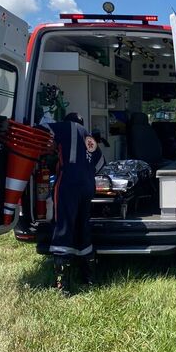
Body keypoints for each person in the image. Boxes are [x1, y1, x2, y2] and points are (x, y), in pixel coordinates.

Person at [40, 112, 105, 292]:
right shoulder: (89, 137)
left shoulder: (64, 127)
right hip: (88, 186)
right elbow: (100, 163)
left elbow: (39, 131)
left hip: (68, 184)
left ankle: (63, 286)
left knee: (64, 226)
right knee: (82, 226)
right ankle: (90, 279)